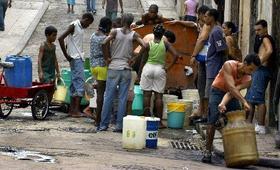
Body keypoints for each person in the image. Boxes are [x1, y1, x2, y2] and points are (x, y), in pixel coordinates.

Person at [202, 54, 261, 163]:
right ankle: (207, 151)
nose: (251, 72)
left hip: (233, 95)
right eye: (251, 69)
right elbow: (231, 87)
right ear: (245, 63)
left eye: (254, 71)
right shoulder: (228, 65)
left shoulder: (248, 79)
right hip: (217, 91)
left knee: (236, 121)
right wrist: (243, 101)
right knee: (212, 121)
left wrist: (224, 104)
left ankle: (235, 152)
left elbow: (231, 92)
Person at [99, 13, 145, 132]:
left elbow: (104, 43)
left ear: (122, 20)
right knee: (123, 98)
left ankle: (104, 125)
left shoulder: (115, 32)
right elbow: (145, 45)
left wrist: (107, 58)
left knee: (108, 96)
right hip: (126, 69)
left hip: (114, 67)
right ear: (131, 22)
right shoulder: (133, 34)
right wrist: (134, 58)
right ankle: (119, 126)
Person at [139, 24, 179, 128]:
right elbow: (176, 55)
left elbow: (139, 54)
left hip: (148, 68)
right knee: (158, 97)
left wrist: (133, 61)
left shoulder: (148, 44)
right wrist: (168, 68)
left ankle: (146, 118)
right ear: (163, 34)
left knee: (146, 95)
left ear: (153, 33)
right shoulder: (165, 43)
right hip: (160, 69)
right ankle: (159, 122)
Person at [58, 13, 94, 117]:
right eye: (89, 23)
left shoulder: (79, 27)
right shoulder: (74, 25)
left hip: (77, 57)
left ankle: (71, 110)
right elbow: (61, 38)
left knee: (74, 83)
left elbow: (69, 42)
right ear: (86, 19)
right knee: (79, 83)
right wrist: (66, 55)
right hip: (76, 58)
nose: (88, 26)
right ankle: (76, 110)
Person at [246, 19, 275, 134]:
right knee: (252, 98)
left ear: (265, 28)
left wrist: (259, 63)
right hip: (260, 70)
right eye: (256, 30)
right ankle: (250, 124)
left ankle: (261, 126)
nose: (257, 32)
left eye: (259, 30)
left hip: (263, 70)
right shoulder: (261, 38)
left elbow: (270, 50)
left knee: (258, 99)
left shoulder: (266, 38)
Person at [88, 17, 112, 128]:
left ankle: (96, 116)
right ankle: (98, 120)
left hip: (93, 67)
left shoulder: (93, 35)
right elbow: (107, 54)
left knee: (98, 93)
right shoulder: (105, 38)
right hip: (102, 67)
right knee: (102, 94)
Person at [188, 5, 211, 122]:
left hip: (206, 61)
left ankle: (205, 113)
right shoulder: (203, 25)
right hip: (204, 60)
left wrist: (193, 55)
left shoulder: (208, 26)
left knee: (204, 87)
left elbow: (201, 40)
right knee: (201, 85)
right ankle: (202, 111)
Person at [204, 9, 228, 113]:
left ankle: (212, 118)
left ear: (212, 17)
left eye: (206, 16)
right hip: (211, 66)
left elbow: (222, 49)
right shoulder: (214, 30)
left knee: (211, 94)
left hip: (214, 67)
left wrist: (221, 68)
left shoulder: (216, 31)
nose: (205, 18)